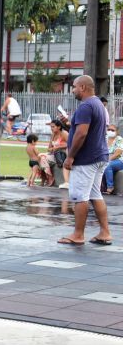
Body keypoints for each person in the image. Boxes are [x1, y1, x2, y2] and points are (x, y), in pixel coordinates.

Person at [58, 75, 112, 246]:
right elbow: (84, 128)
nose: (72, 90)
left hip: (86, 159)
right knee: (95, 194)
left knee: (80, 196)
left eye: (74, 86)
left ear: (82, 87)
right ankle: (105, 232)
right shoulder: (98, 105)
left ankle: (78, 234)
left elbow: (82, 134)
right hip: (100, 156)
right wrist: (69, 123)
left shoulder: (86, 106)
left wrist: (71, 156)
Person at [39, 119, 69, 189]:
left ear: (59, 127)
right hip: (54, 154)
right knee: (40, 157)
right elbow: (49, 148)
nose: (51, 129)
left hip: (63, 155)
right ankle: (49, 177)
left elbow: (70, 144)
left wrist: (58, 147)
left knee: (42, 157)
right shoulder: (53, 135)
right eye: (51, 127)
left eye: (53, 127)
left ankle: (48, 178)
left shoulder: (64, 133)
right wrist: (53, 149)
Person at [103, 126, 123, 194]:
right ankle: (101, 187)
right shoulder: (105, 138)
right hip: (106, 159)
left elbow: (118, 153)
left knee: (108, 165)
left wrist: (108, 160)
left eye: (112, 130)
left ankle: (110, 187)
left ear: (117, 132)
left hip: (119, 161)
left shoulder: (119, 139)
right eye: (108, 129)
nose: (110, 131)